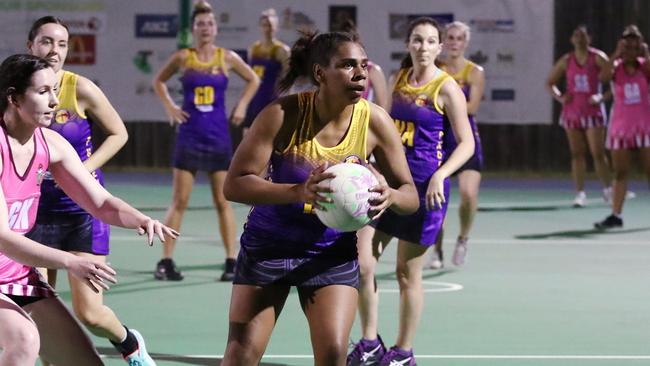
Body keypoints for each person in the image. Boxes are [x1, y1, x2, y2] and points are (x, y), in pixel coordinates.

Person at [221, 31, 419, 365]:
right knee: (241, 357)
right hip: (269, 248)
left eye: (364, 66)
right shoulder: (282, 114)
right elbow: (235, 184)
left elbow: (411, 195)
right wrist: (297, 192)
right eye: (347, 65)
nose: (360, 74)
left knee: (332, 356)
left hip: (331, 253)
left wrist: (391, 196)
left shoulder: (375, 122)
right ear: (319, 74)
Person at [0, 54, 177, 365]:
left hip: (14, 273)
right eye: (43, 92)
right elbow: (3, 238)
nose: (55, 101)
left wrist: (139, 218)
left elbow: (99, 201)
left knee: (84, 360)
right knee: (24, 340)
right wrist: (71, 262)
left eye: (54, 90)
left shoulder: (50, 144)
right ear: (13, 98)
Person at [23, 16, 154, 365]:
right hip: (35, 213)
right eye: (47, 42)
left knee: (90, 313)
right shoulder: (19, 96)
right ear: (31, 46)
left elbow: (118, 133)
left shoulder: (79, 87)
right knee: (39, 311)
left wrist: (82, 171)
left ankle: (129, 343)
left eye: (62, 44)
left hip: (82, 211)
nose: (54, 51)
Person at [348, 17, 474, 366]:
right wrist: (369, 161)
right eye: (417, 40)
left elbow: (466, 144)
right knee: (362, 263)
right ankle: (370, 342)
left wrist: (441, 174)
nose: (423, 47)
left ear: (439, 47)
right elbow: (383, 128)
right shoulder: (397, 79)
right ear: (408, 44)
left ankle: (403, 352)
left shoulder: (447, 88)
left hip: (424, 193)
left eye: (430, 41)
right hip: (388, 185)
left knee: (406, 273)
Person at [152, 1, 259, 281]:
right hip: (189, 135)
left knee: (223, 201)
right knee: (180, 200)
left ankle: (231, 261)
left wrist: (242, 106)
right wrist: (171, 108)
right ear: (193, 29)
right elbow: (158, 81)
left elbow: (253, 80)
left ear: (216, 27)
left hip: (218, 136)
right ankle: (165, 261)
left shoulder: (226, 57)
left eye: (210, 23)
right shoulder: (184, 57)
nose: (206, 28)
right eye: (200, 24)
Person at [428, 21, 485, 269]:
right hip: (440, 138)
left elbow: (472, 107)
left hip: (465, 138)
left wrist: (445, 105)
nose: (453, 42)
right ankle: (437, 250)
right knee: (437, 199)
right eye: (449, 38)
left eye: (458, 38)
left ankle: (463, 239)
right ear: (443, 42)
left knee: (468, 194)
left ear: (465, 42)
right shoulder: (435, 69)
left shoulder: (474, 72)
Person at [547, 25, 613, 207]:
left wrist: (601, 97)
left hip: (593, 111)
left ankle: (608, 189)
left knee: (597, 153)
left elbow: (616, 81)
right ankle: (580, 193)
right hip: (572, 112)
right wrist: (561, 97)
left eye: (583, 36)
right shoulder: (566, 61)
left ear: (589, 39)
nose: (580, 39)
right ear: (572, 40)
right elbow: (550, 82)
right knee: (577, 154)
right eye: (576, 36)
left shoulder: (598, 58)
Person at [595, 25, 650, 229]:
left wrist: (645, 54)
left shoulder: (644, 66)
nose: (630, 50)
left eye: (635, 46)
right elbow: (602, 77)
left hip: (645, 127)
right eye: (627, 45)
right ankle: (616, 215)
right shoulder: (616, 67)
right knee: (620, 172)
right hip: (621, 127)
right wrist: (616, 53)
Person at [242, 8, 290, 131]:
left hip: (272, 101)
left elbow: (289, 80)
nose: (268, 29)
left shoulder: (282, 51)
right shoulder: (253, 49)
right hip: (254, 102)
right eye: (265, 25)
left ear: (276, 27)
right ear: (260, 27)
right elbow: (249, 79)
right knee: (248, 140)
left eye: (271, 25)